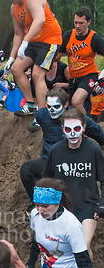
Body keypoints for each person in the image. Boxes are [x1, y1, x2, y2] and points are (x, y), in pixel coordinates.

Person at [20, 87, 104, 205]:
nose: (52, 110)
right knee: (26, 169)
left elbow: (97, 132)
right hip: (50, 162)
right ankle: (37, 203)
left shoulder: (77, 119)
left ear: (66, 105)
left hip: (73, 164)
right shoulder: (42, 116)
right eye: (49, 106)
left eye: (56, 107)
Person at [42, 108, 104, 260]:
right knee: (64, 248)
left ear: (83, 128)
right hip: (64, 208)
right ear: (63, 129)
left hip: (88, 206)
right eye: (68, 129)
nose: (73, 133)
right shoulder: (56, 150)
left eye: (76, 129)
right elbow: (46, 180)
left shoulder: (93, 149)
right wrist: (37, 203)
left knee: (83, 246)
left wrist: (102, 204)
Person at [1, 0, 62, 115]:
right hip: (33, 41)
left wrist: (25, 42)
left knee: (36, 75)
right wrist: (11, 57)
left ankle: (42, 113)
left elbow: (40, 19)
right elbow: (18, 34)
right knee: (16, 69)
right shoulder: (14, 9)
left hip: (50, 39)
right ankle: (31, 104)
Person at [56, 7, 104, 115]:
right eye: (76, 22)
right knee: (75, 108)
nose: (78, 26)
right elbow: (57, 57)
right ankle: (85, 127)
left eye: (81, 23)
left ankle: (89, 127)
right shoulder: (68, 36)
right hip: (73, 78)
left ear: (89, 22)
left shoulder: (94, 38)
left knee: (76, 101)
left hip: (89, 75)